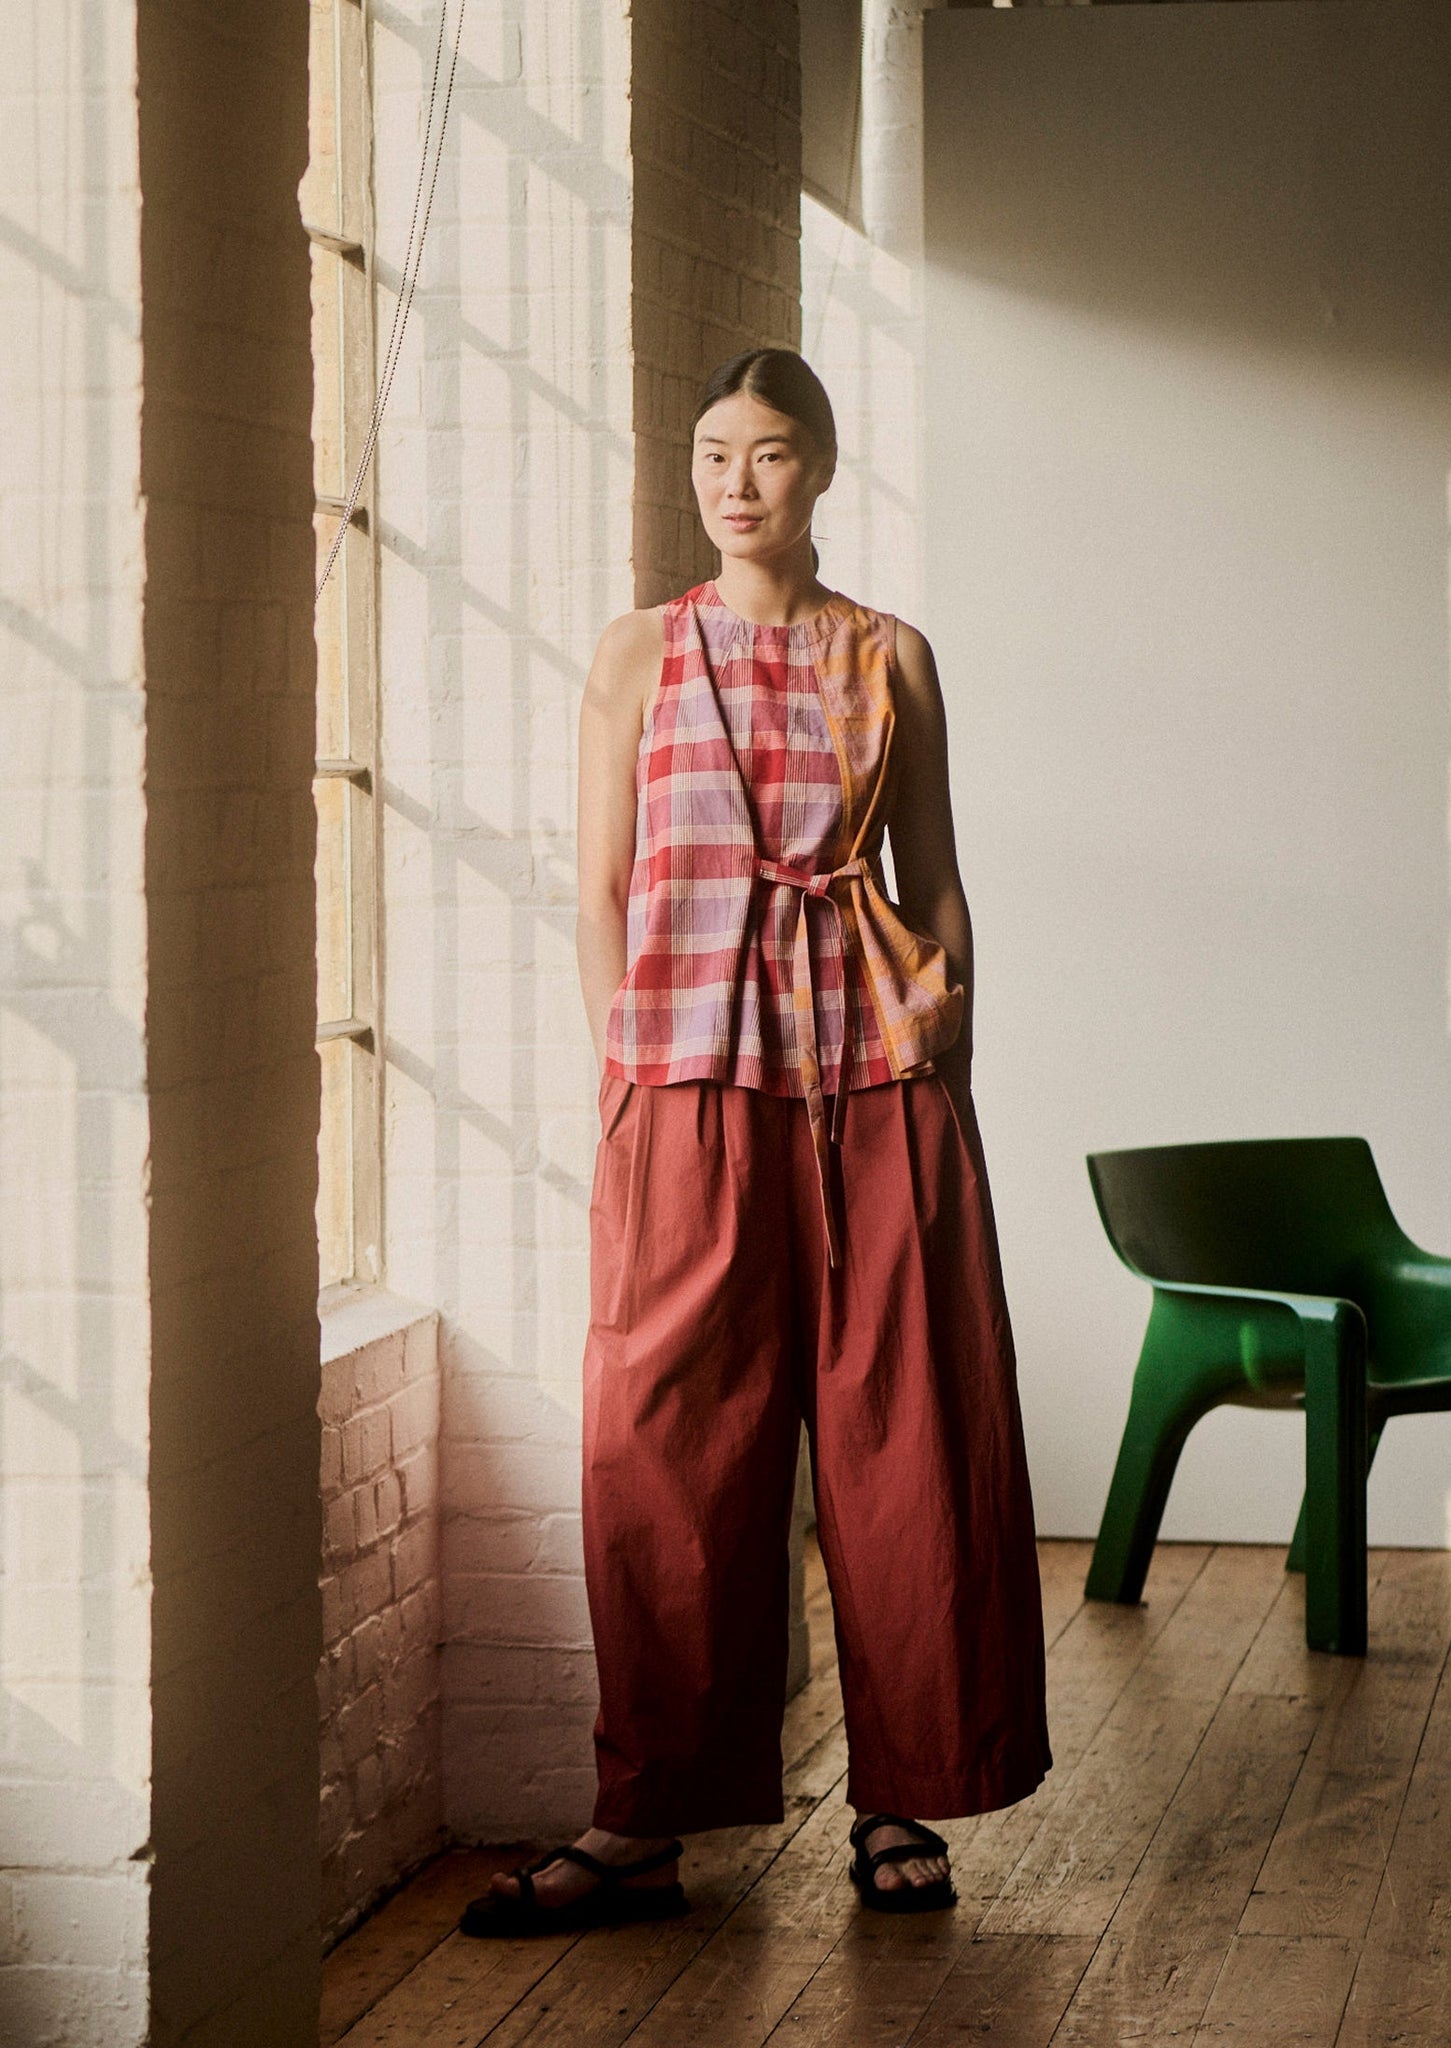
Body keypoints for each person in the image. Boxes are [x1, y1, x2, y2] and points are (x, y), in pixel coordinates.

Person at [460, 347, 1051, 1937]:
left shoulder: (892, 655)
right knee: (662, 1444)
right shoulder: (639, 652)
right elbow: (600, 886)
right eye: (714, 450)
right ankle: (642, 1821)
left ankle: (903, 1795)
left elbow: (936, 876)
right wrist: (627, 1063)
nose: (737, 480)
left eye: (771, 451)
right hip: (689, 1084)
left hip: (879, 1087)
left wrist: (948, 1054)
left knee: (906, 1436)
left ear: (822, 468)